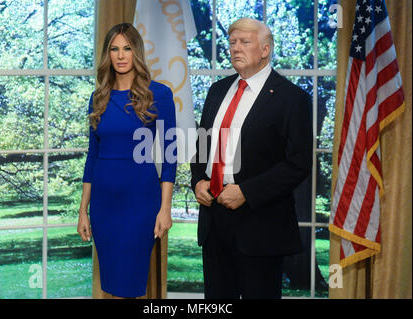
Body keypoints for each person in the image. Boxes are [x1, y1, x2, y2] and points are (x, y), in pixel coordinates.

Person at [190, 18, 312, 299]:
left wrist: (246, 191)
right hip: (214, 222)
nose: (235, 48)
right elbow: (202, 145)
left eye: (245, 42)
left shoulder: (292, 99)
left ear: (266, 49)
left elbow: (298, 164)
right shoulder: (217, 90)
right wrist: (198, 181)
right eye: (232, 42)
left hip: (261, 226)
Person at [77, 23, 177, 299]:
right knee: (112, 286)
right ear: (107, 55)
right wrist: (83, 210)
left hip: (140, 203)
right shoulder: (98, 98)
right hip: (103, 205)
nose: (121, 55)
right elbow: (92, 156)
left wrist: (165, 209)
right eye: (114, 49)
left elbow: (170, 157)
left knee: (130, 285)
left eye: (127, 48)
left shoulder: (159, 94)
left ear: (137, 53)